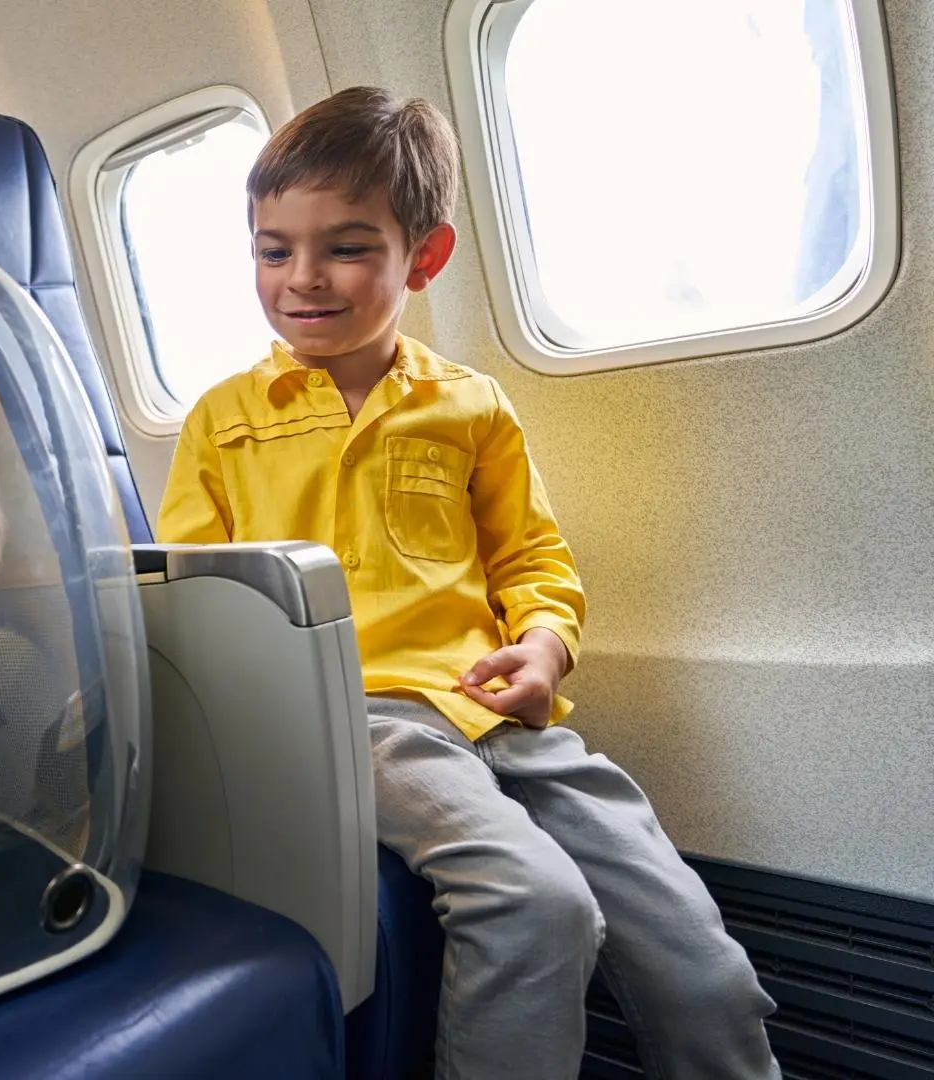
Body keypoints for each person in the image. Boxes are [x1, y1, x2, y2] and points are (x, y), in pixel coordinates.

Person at [156, 85, 779, 1078]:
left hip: (501, 714)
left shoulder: (471, 405)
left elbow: (533, 560)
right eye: (273, 251)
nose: (302, 278)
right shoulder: (222, 421)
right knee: (538, 903)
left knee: (701, 962)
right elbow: (192, 601)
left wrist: (544, 648)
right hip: (354, 720)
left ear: (425, 256)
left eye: (346, 247)